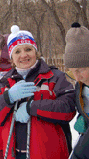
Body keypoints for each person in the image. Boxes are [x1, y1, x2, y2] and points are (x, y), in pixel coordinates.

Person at [0, 25, 76, 159]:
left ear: (36, 51)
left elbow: (68, 109)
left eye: (28, 49)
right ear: (11, 58)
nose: (24, 55)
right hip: (14, 153)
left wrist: (31, 107)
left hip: (48, 154)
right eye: (17, 52)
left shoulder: (54, 76)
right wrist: (8, 97)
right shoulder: (6, 81)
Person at [64, 22, 89, 159]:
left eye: (81, 70)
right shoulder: (81, 85)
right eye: (73, 72)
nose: (77, 76)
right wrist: (83, 117)